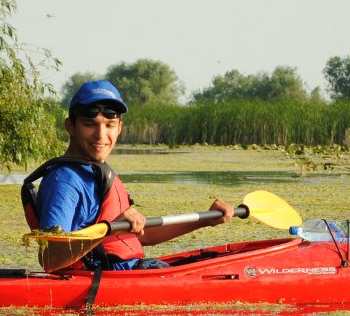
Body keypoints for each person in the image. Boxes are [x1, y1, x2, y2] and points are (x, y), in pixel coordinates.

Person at [21, 80, 234, 270]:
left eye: (109, 125)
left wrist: (205, 220)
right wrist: (108, 229)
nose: (101, 135)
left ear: (120, 128)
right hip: (100, 282)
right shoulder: (65, 181)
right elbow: (50, 259)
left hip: (131, 270)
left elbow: (142, 235)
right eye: (89, 124)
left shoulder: (96, 172)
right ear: (70, 126)